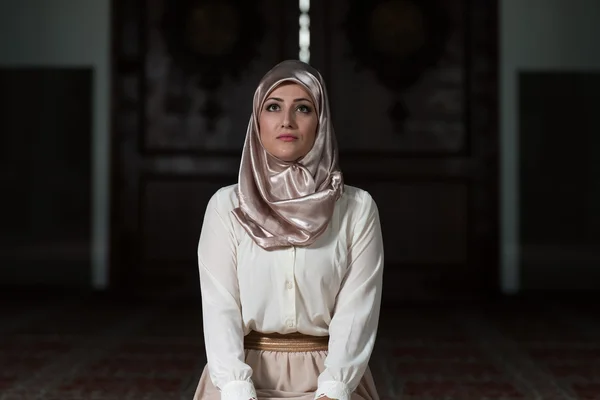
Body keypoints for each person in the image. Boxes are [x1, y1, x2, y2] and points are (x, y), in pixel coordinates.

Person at [194, 60, 384, 400]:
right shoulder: (226, 207)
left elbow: (358, 310)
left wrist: (334, 388)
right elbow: (219, 308)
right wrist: (237, 388)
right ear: (257, 121)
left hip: (332, 376)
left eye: (303, 108)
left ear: (321, 121)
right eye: (273, 107)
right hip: (241, 375)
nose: (287, 121)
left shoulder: (356, 208)